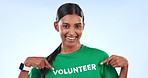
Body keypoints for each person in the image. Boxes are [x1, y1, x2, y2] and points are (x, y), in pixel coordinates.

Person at [18, 3, 128, 78]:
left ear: (83, 27)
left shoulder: (99, 57)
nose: (71, 32)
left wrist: (125, 67)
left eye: (77, 26)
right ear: (56, 26)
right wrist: (26, 66)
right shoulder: (44, 65)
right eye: (66, 26)